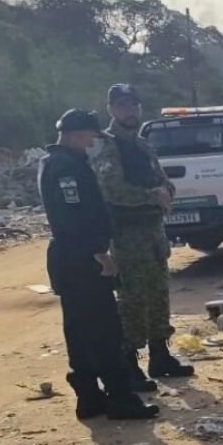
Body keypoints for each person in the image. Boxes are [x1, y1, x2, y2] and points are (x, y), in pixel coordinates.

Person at [38, 109, 159, 421]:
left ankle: (90, 398)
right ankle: (121, 398)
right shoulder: (66, 167)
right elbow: (74, 217)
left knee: (79, 331)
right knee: (105, 330)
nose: (94, 142)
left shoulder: (59, 163)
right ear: (78, 134)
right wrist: (99, 252)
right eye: (92, 136)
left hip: (70, 258)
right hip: (82, 259)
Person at [93, 84, 194, 386]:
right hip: (126, 236)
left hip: (152, 234)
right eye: (123, 106)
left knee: (158, 296)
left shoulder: (142, 145)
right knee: (132, 301)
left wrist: (165, 193)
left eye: (134, 106)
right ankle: (129, 364)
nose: (129, 112)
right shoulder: (107, 145)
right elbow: (111, 190)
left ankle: (160, 355)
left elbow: (164, 183)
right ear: (111, 109)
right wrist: (153, 196)